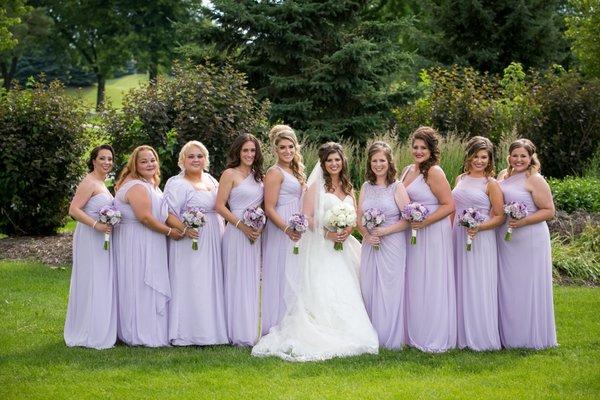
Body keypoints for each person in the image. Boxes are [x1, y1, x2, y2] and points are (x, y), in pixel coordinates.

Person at [252, 142, 379, 362]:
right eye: (329, 160)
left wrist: (348, 229)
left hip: (344, 247)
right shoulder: (315, 188)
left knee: (349, 286)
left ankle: (350, 328)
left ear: (343, 162)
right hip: (322, 246)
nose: (334, 164)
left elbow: (355, 216)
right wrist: (328, 234)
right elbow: (307, 216)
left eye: (337, 160)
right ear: (323, 163)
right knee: (325, 287)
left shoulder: (349, 188)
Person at [113, 145, 183, 347]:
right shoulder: (137, 186)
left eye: (152, 160)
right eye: (143, 161)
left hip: (151, 239)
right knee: (141, 282)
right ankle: (139, 333)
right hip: (137, 241)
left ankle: (153, 329)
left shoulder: (151, 183)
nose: (149, 164)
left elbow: (163, 212)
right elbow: (144, 217)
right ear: (135, 164)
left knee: (148, 282)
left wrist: (184, 227)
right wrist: (170, 233)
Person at [164, 141, 228, 346]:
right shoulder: (177, 183)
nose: (195, 160)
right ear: (182, 160)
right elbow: (168, 213)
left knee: (211, 281)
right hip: (190, 240)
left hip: (214, 237)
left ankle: (213, 331)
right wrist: (185, 228)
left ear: (205, 159)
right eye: (190, 156)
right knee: (193, 281)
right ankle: (189, 333)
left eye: (199, 156)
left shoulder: (211, 179)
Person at [400, 126, 457, 353]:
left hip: (432, 232)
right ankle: (414, 331)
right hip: (412, 232)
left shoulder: (434, 172)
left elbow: (449, 205)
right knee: (415, 280)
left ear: (432, 150)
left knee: (431, 279)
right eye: (415, 147)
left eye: (423, 147)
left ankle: (433, 334)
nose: (418, 151)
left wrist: (425, 222)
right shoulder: (406, 171)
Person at [497, 139, 557, 349]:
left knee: (527, 285)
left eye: (523, 156)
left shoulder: (535, 179)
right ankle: (509, 336)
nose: (519, 159)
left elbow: (549, 211)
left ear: (531, 157)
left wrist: (523, 221)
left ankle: (529, 338)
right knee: (509, 286)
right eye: (515, 155)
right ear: (509, 156)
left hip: (530, 238)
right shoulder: (503, 176)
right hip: (506, 239)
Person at [452, 136, 503, 351]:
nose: (479, 161)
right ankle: (460, 334)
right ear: (469, 156)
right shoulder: (460, 178)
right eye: (475, 156)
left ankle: (481, 337)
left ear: (490, 160)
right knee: (460, 283)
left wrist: (479, 227)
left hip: (481, 238)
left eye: (484, 157)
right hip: (457, 236)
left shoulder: (491, 184)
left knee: (478, 283)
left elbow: (499, 216)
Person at [357, 141, 410, 349]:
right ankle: (371, 337)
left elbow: (407, 220)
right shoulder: (365, 187)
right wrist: (367, 234)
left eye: (382, 160)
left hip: (393, 244)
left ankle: (390, 340)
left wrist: (384, 231)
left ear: (389, 162)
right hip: (370, 244)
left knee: (389, 289)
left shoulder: (397, 187)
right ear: (369, 163)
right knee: (369, 288)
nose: (378, 164)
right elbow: (359, 218)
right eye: (374, 161)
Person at [64, 145, 117, 349]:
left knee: (101, 279)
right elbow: (74, 210)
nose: (106, 162)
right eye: (102, 158)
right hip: (90, 235)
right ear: (93, 160)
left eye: (110, 159)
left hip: (101, 235)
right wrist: (96, 225)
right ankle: (87, 331)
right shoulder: (89, 182)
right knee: (92, 279)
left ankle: (97, 327)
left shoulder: (102, 183)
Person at [215, 134, 265, 346]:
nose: (249, 154)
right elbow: (219, 206)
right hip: (236, 233)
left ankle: (250, 330)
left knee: (251, 281)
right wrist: (241, 226)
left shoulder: (259, 176)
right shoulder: (230, 174)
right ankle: (233, 332)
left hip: (254, 234)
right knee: (235, 280)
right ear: (238, 152)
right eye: (245, 150)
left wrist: (258, 225)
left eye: (253, 151)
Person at [261, 125, 305, 335]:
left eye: (291, 147)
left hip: (296, 228)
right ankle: (275, 323)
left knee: (294, 274)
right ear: (275, 150)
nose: (287, 151)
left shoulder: (295, 171)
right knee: (280, 272)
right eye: (282, 147)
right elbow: (269, 207)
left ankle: (293, 322)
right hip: (281, 229)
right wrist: (286, 228)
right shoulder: (274, 172)